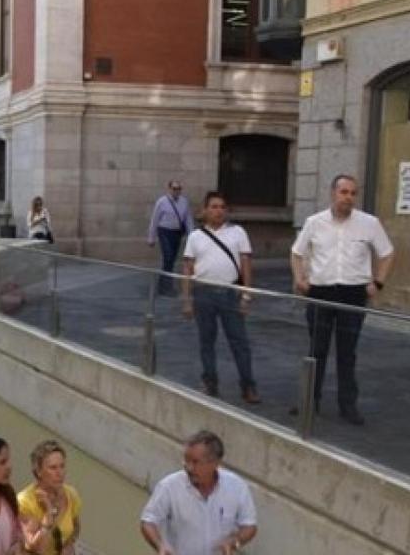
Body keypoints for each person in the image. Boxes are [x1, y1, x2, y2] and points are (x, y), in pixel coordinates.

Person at [291, 174, 394, 426]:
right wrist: (300, 279)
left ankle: (348, 406)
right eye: (344, 192)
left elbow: (388, 253)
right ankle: (309, 401)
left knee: (347, 353)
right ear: (333, 193)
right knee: (317, 350)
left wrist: (377, 282)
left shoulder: (369, 223)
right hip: (321, 293)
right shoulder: (314, 222)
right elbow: (296, 253)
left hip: (353, 294)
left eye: (352, 193)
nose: (348, 197)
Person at [181, 192, 260, 404]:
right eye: (214, 207)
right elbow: (188, 268)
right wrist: (187, 299)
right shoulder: (195, 237)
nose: (219, 211)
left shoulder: (238, 233)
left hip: (230, 294)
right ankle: (210, 381)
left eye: (222, 207)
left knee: (239, 342)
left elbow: (246, 264)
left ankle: (248, 385)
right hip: (203, 293)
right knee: (206, 341)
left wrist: (247, 295)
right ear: (205, 210)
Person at [140, 430, 257, 555]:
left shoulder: (236, 486)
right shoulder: (169, 486)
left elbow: (249, 526)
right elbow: (148, 521)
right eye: (186, 460)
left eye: (195, 462)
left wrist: (234, 542)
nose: (189, 467)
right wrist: (160, 546)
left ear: (215, 463)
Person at [17, 441, 81, 555]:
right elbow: (36, 548)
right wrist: (48, 515)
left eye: (62, 466)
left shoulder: (71, 494)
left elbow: (76, 526)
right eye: (53, 468)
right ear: (39, 471)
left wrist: (69, 544)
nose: (59, 473)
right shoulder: (24, 501)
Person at [148, 180, 194, 296]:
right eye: (174, 189)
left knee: (171, 259)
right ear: (169, 189)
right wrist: (151, 237)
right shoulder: (162, 202)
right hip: (164, 231)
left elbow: (188, 219)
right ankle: (167, 287)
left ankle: (162, 284)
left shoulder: (184, 202)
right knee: (168, 256)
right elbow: (155, 220)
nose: (176, 191)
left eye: (179, 189)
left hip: (177, 233)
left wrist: (192, 235)